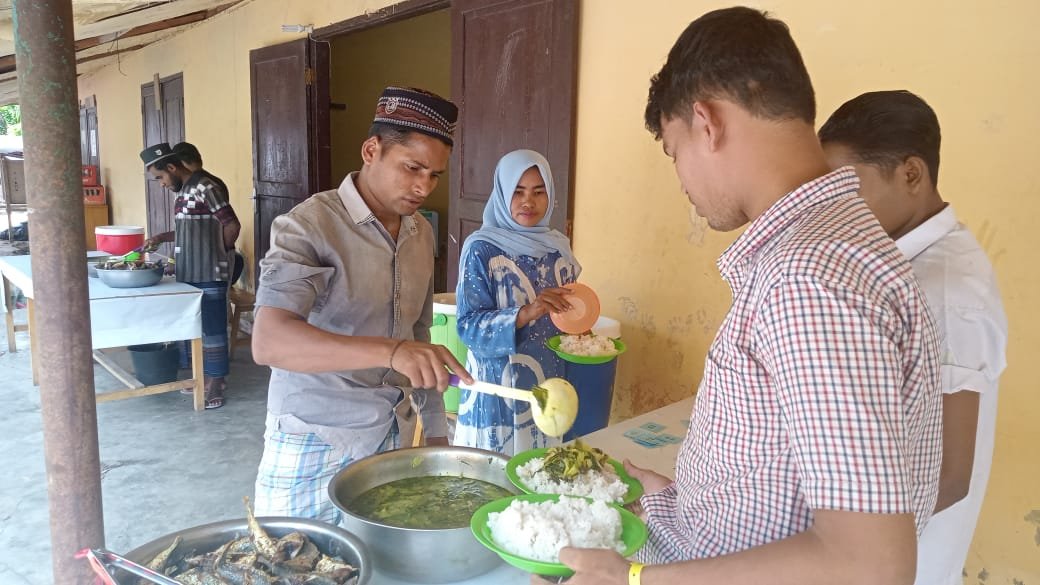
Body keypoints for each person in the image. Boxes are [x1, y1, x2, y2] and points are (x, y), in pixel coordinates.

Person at [539, 7, 943, 585]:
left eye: (674, 152)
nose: (682, 181)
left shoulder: (808, 278)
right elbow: (790, 465)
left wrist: (631, 579)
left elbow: (869, 563)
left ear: (707, 123)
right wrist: (688, 500)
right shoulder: (836, 246)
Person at [250, 87, 473, 523]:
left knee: (375, 556)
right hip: (315, 436)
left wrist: (435, 432)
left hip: (391, 433)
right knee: (289, 555)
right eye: (412, 168)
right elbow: (269, 341)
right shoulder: (309, 226)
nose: (423, 187)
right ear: (371, 150)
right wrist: (391, 351)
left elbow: (419, 338)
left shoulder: (420, 234)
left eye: (435, 175)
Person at [818, 90, 1008, 585]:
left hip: (905, 562)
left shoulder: (945, 291)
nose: (835, 213)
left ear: (911, 174)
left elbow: (949, 475)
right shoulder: (900, 266)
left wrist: (828, 541)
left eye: (848, 190)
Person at [454, 149, 579, 455]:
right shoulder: (481, 249)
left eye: (539, 192)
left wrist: (583, 332)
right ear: (501, 193)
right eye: (517, 191)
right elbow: (468, 327)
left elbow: (568, 317)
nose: (528, 202)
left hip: (551, 385)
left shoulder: (558, 250)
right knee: (495, 473)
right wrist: (527, 312)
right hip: (497, 390)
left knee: (543, 470)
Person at [140, 143, 240, 409]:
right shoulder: (183, 192)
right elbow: (192, 229)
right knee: (195, 325)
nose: (161, 184)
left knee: (213, 327)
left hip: (209, 270)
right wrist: (162, 238)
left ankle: (216, 381)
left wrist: (218, 254)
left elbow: (231, 224)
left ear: (172, 167)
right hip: (188, 271)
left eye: (160, 177)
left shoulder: (206, 187)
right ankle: (203, 377)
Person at [173, 141, 245, 284]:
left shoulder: (206, 185)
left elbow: (231, 225)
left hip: (211, 264)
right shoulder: (188, 186)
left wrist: (218, 251)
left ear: (181, 164)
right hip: (198, 263)